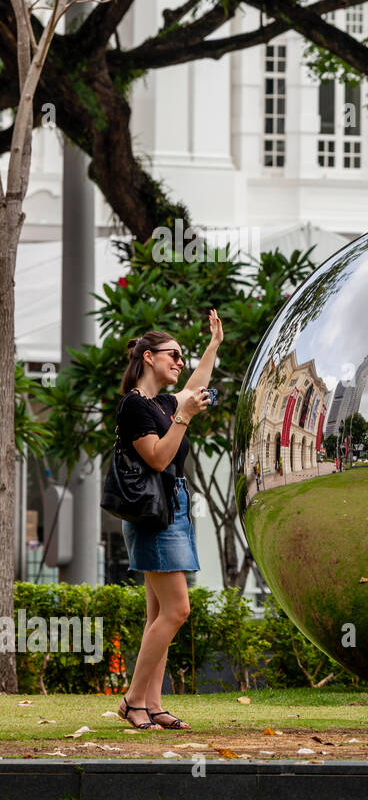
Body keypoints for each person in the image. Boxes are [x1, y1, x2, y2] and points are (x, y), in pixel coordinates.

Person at [113, 310, 222, 730]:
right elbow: (157, 457)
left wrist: (212, 347)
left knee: (158, 613)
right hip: (153, 515)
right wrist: (185, 417)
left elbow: (196, 388)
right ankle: (134, 700)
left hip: (171, 507)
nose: (180, 361)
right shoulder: (134, 408)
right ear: (148, 358)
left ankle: (153, 704)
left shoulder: (160, 404)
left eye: (182, 355)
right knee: (177, 610)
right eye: (173, 354)